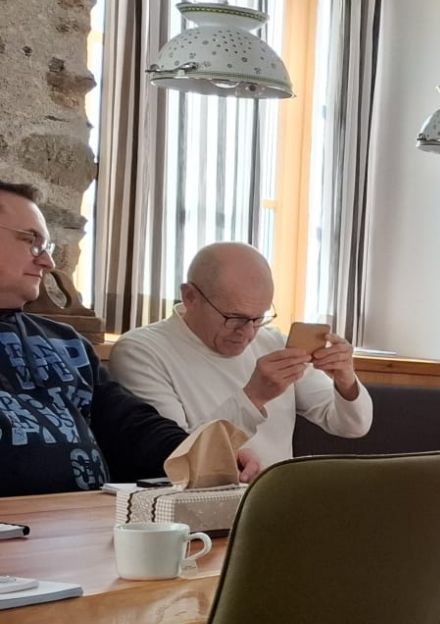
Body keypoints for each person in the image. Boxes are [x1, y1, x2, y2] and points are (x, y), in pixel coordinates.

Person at [108, 243, 372, 467]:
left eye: (259, 318)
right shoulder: (141, 352)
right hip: (194, 502)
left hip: (276, 498)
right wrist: (254, 396)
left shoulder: (274, 343)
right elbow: (177, 458)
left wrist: (345, 380)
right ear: (190, 297)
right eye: (234, 318)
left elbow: (353, 426)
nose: (248, 332)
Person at [0, 181, 185, 493]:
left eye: (46, 247)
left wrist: (200, 453)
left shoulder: (66, 343)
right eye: (31, 241)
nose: (48, 262)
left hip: (91, 515)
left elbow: (130, 425)